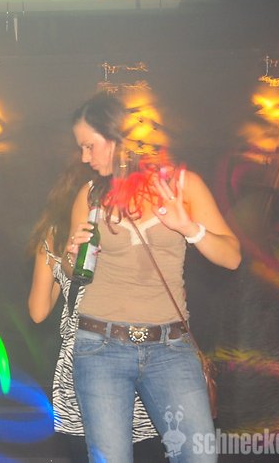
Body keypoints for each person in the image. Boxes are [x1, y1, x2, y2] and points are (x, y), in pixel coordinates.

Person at [63, 92, 241, 463]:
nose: (84, 157)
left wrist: (189, 228)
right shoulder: (90, 195)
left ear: (115, 137)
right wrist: (70, 253)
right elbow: (72, 272)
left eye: (89, 146)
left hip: (170, 348)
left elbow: (232, 258)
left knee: (200, 457)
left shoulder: (182, 185)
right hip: (101, 346)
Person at [27, 156, 159, 462]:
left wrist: (59, 269)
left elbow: (37, 311)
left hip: (81, 359)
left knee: (88, 450)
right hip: (133, 347)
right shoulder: (124, 228)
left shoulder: (53, 236)